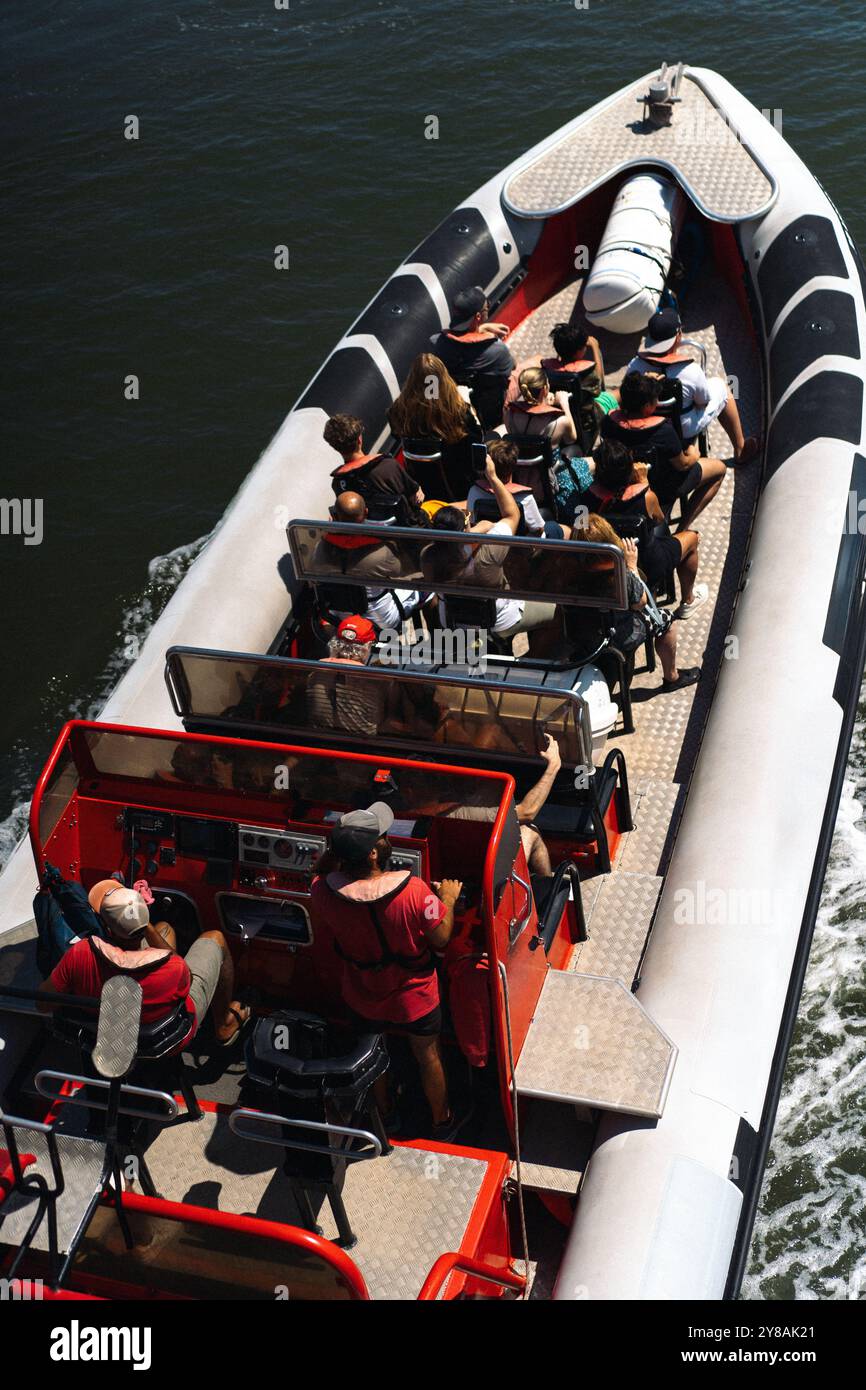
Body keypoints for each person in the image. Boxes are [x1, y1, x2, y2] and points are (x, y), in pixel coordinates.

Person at [311, 801, 467, 1139]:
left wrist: (335, 853)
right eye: (381, 836)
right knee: (427, 1054)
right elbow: (441, 939)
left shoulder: (322, 893)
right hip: (415, 996)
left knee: (373, 1052)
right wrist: (450, 898)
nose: (385, 838)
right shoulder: (414, 891)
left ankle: (387, 1115)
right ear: (372, 854)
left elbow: (320, 876)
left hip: (362, 994)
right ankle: (442, 1122)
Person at [38, 881, 249, 1045]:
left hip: (110, 1030)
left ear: (108, 929)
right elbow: (180, 970)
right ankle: (222, 1026)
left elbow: (43, 1004)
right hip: (165, 1036)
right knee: (215, 938)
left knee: (165, 928)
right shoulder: (173, 968)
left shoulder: (80, 953)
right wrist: (144, 923)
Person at [421, 454, 560, 647]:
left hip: (454, 622)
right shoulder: (490, 551)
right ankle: (537, 658)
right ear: (464, 530)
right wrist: (493, 477)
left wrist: (475, 530)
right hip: (498, 622)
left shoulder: (428, 557)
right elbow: (512, 514)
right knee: (558, 610)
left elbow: (451, 547)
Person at [584, 440, 708, 619]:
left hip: (606, 563)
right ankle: (688, 601)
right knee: (693, 538)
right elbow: (659, 518)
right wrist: (644, 482)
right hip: (648, 562)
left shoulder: (587, 498)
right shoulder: (646, 497)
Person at [576, 514, 700, 691]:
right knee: (667, 621)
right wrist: (632, 565)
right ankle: (672, 677)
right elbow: (640, 603)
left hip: (579, 631)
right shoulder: (617, 571)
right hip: (616, 634)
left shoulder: (570, 566)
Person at [626, 308, 758, 462]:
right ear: (678, 337)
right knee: (722, 387)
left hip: (645, 425)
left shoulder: (634, 367)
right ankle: (740, 450)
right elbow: (703, 402)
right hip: (684, 428)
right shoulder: (691, 371)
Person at [602, 371, 727, 530]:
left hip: (620, 481)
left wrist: (643, 385)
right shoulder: (663, 431)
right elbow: (682, 465)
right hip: (663, 487)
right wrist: (694, 455)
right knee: (720, 469)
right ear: (647, 406)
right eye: (655, 399)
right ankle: (682, 529)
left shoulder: (609, 423)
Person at [447, 734, 562, 876]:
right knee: (529, 831)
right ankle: (549, 891)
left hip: (460, 855)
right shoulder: (457, 812)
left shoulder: (421, 807)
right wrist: (554, 766)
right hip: (486, 874)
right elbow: (527, 812)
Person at [316, 491, 426, 631]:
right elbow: (407, 574)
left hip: (340, 619)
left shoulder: (322, 547)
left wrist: (331, 530)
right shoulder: (380, 552)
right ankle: (438, 641)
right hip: (380, 622)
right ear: (366, 512)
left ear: (334, 516)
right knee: (429, 591)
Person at [387, 354, 484, 498]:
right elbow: (477, 439)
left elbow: (396, 434)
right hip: (458, 482)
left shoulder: (398, 410)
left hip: (421, 481)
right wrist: (468, 403)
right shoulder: (460, 411)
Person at [429, 286, 514, 426]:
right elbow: (511, 368)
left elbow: (430, 387)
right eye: (486, 308)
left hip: (451, 416)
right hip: (489, 419)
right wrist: (486, 333)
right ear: (478, 317)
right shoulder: (497, 350)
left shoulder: (435, 344)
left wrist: (481, 329)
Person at [324, 413, 424, 519]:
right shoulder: (389, 466)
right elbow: (416, 498)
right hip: (406, 528)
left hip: (373, 533)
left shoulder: (338, 484)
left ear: (335, 448)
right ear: (359, 440)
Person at [306, 614, 387, 737]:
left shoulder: (316, 669)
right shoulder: (374, 679)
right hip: (361, 746)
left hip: (319, 740)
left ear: (335, 643)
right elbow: (386, 722)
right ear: (367, 646)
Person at [465, 438, 553, 537]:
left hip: (489, 543)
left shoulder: (475, 491)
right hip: (517, 547)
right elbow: (538, 529)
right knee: (553, 527)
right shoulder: (525, 498)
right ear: (514, 466)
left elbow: (472, 521)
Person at [502, 365, 579, 451]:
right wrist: (564, 404)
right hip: (548, 464)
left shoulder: (509, 413)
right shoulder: (561, 420)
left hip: (519, 460)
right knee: (575, 449)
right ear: (545, 389)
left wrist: (545, 403)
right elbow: (571, 439)